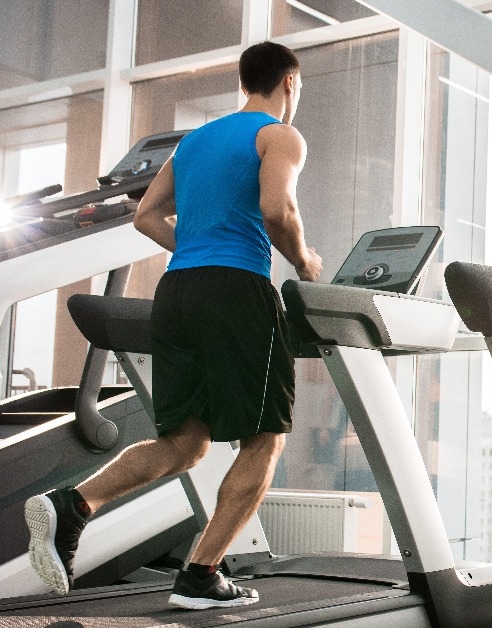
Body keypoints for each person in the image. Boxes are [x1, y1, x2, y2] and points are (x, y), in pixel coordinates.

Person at [24, 40, 322, 610]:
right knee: (265, 439)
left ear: (243, 82)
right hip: (236, 290)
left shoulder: (195, 142)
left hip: (176, 291)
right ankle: (201, 576)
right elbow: (276, 210)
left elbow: (146, 216)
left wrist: (197, 250)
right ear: (290, 82)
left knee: (184, 443)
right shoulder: (279, 136)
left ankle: (73, 505)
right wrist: (305, 262)